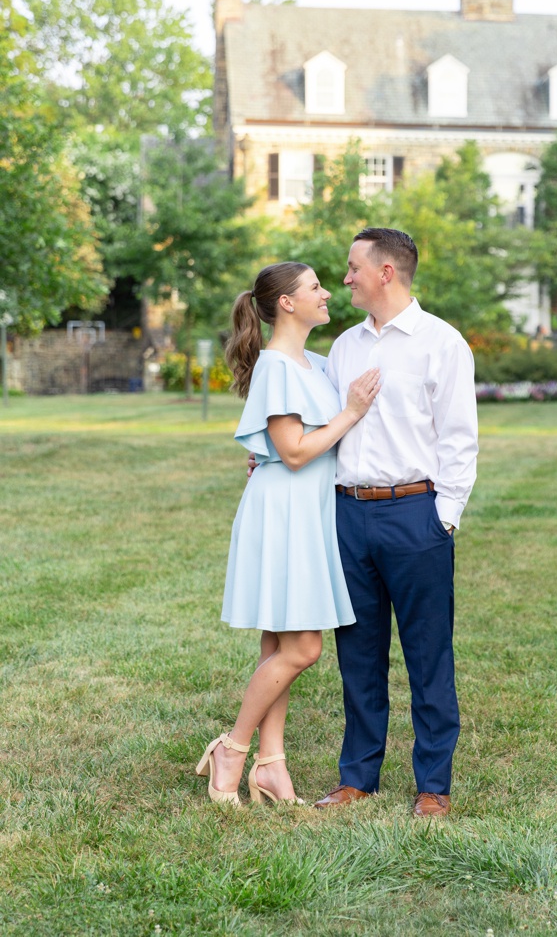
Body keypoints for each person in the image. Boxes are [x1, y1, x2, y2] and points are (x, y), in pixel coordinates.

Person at [197, 262, 381, 807]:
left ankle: (271, 766)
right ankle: (231, 749)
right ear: (287, 304)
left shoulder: (315, 363)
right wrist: (350, 413)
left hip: (306, 512)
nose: (328, 293)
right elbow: (295, 451)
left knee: (279, 641)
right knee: (303, 648)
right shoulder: (276, 366)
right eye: (315, 288)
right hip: (285, 512)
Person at [310, 227, 479, 819]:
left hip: (416, 515)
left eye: (353, 267)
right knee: (357, 653)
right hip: (348, 513)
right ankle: (358, 777)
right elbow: (329, 425)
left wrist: (444, 520)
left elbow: (460, 439)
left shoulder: (442, 343)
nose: (345, 278)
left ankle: (433, 784)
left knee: (428, 655)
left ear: (386, 272)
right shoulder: (345, 347)